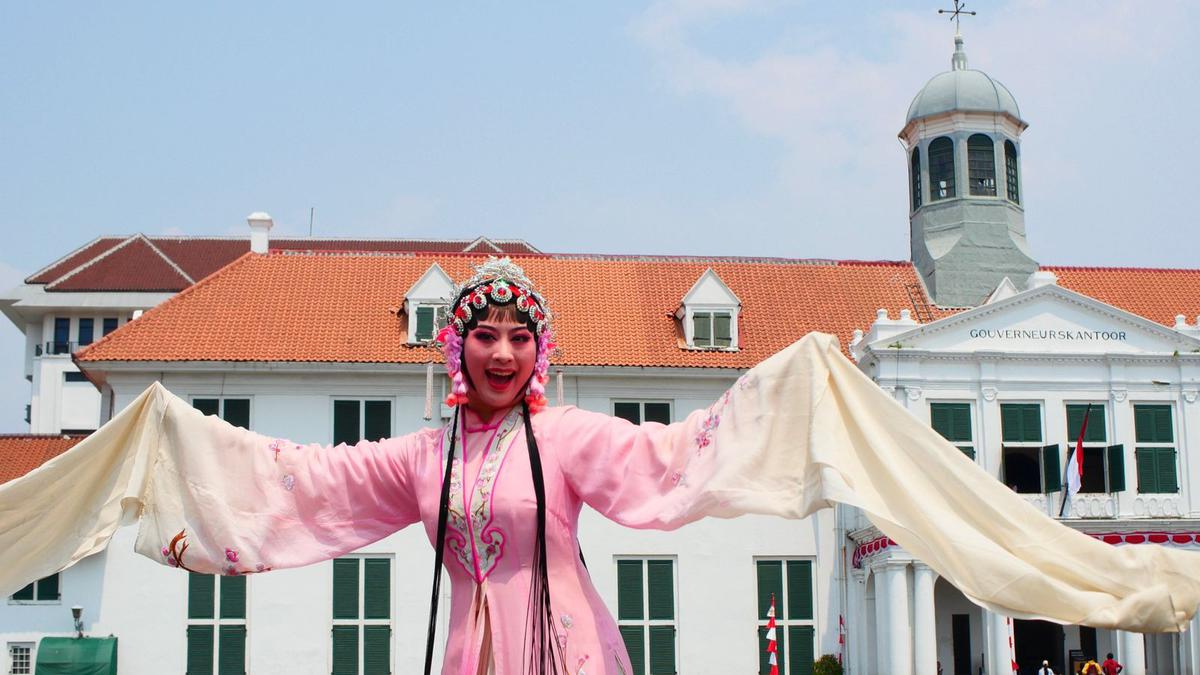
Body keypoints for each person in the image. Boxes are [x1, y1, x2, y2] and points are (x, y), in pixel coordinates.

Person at [3, 257, 1200, 675]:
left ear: (542, 350)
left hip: (569, 647)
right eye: (486, 334)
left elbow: (675, 460)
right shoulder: (420, 453)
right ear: (454, 345)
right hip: (469, 649)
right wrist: (185, 488)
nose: (505, 352)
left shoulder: (572, 438)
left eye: (523, 336)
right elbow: (307, 483)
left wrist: (793, 397)